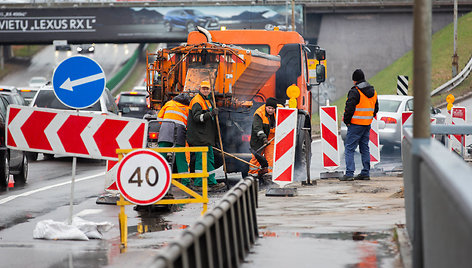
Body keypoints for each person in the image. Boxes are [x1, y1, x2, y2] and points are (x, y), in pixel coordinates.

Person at [186, 81, 226, 191]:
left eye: (207, 89)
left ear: (210, 90)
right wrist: (211, 114)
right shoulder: (197, 101)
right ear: (200, 89)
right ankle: (199, 184)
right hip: (199, 137)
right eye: (203, 88)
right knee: (201, 160)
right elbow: (197, 118)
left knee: (209, 159)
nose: (205, 90)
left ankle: (211, 182)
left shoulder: (207, 100)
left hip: (206, 137)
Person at [341, 69, 378, 181]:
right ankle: (365, 172)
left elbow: (349, 108)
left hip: (355, 125)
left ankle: (349, 173)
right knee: (364, 148)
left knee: (349, 148)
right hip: (367, 124)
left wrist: (347, 121)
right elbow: (376, 109)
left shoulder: (355, 91)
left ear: (354, 80)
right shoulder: (373, 91)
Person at [157, 93, 191, 185]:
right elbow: (189, 124)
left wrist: (165, 126)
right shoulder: (187, 109)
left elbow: (159, 118)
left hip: (165, 131)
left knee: (161, 156)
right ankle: (185, 181)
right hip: (179, 133)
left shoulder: (169, 103)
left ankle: (158, 179)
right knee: (181, 157)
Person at [248, 97, 281, 179]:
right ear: (266, 106)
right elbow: (257, 128)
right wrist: (264, 139)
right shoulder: (259, 113)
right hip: (259, 138)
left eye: (273, 109)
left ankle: (270, 174)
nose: (270, 110)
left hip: (271, 137)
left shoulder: (280, 110)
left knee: (270, 156)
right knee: (256, 157)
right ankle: (253, 174)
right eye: (269, 108)